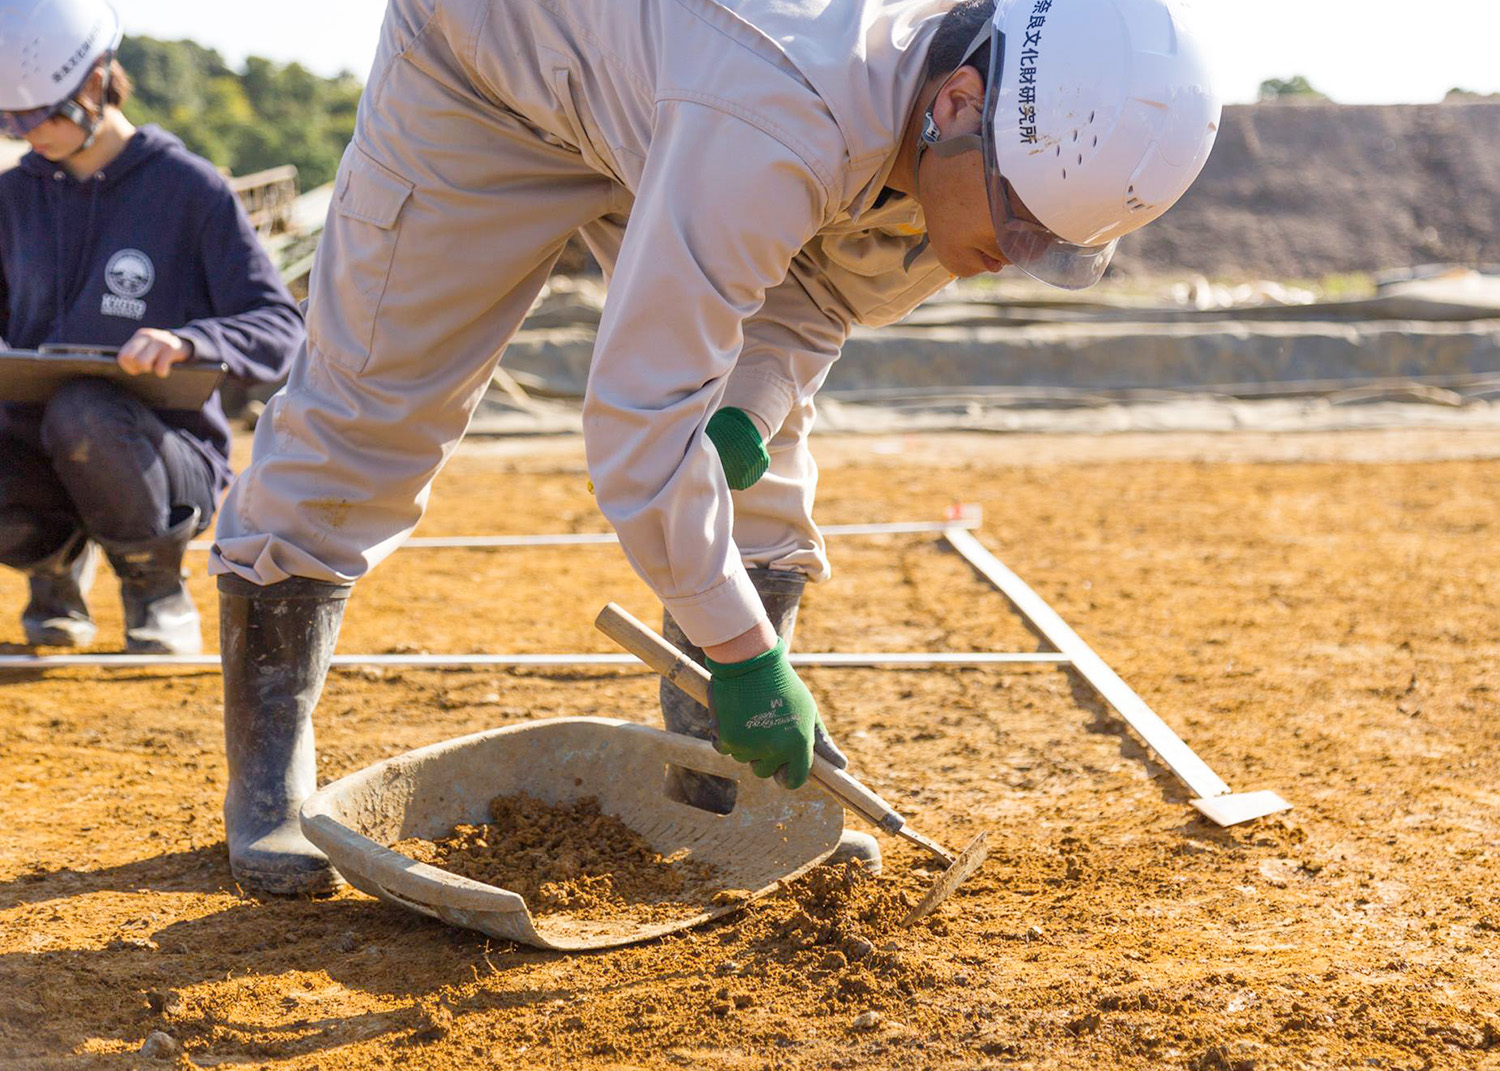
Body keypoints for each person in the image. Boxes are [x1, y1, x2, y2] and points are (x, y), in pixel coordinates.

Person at [210, 0, 1221, 895]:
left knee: (767, 471)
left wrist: (750, 406)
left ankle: (719, 782)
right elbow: (637, 427)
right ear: (956, 103)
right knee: (374, 403)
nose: (1019, 260)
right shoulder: (783, 111)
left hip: (685, 84)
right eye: (1021, 227)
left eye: (1054, 248)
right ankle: (269, 775)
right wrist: (746, 661)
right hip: (493, 69)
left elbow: (819, 300)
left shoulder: (974, 153)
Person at [0, 0, 301, 654]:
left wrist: (192, 342)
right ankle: (51, 575)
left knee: (82, 412)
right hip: (39, 448)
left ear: (95, 80)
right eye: (8, 119)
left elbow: (282, 327)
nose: (26, 132)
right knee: (57, 416)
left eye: (40, 113)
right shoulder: (12, 199)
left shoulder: (188, 189)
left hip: (165, 458)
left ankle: (154, 590)